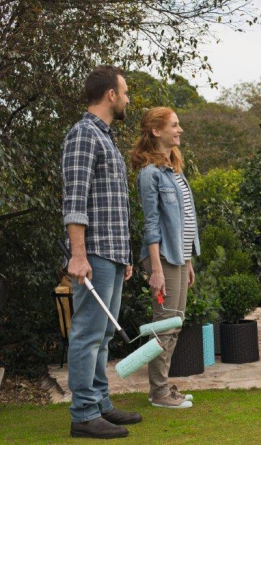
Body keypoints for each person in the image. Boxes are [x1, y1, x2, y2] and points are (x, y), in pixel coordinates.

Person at [61, 65, 142, 439]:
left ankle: (100, 404)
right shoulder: (83, 135)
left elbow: (112, 205)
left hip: (112, 254)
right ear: (111, 94)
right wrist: (78, 256)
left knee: (104, 333)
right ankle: (83, 414)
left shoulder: (104, 137)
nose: (127, 99)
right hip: (93, 255)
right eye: (124, 92)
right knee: (88, 333)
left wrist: (125, 255)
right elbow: (75, 201)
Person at [131, 107, 200, 408]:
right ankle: (158, 392)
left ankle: (161, 389)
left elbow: (183, 221)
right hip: (163, 259)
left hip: (178, 257)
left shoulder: (174, 170)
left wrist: (188, 260)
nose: (180, 129)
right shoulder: (150, 174)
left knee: (175, 324)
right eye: (174, 125)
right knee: (164, 326)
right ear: (156, 131)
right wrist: (156, 270)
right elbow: (151, 225)